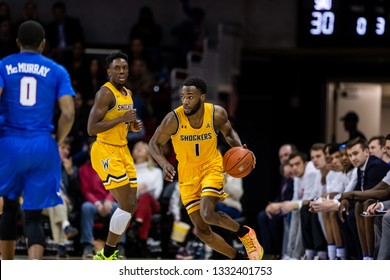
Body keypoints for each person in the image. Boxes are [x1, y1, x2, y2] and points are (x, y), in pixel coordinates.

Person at [148, 76, 263, 260]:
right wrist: (164, 163)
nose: (185, 101)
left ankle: (244, 233)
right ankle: (238, 258)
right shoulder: (173, 119)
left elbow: (229, 133)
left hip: (211, 167)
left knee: (208, 214)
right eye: (183, 96)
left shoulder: (216, 113)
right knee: (202, 231)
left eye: (190, 96)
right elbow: (154, 143)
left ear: (202, 97)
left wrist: (241, 151)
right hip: (187, 175)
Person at [0, 20, 75, 259]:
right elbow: (69, 113)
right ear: (43, 44)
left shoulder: (3, 65)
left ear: (17, 42)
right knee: (32, 215)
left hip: (9, 143)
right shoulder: (57, 70)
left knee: (9, 208)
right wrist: (57, 139)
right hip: (43, 144)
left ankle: (7, 266)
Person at [87, 51, 142, 260]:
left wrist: (132, 125)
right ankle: (107, 252)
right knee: (126, 204)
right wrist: (122, 119)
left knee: (132, 204)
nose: (122, 71)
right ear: (108, 70)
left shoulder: (128, 93)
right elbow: (92, 128)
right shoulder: (105, 93)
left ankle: (108, 251)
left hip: (122, 149)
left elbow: (124, 121)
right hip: (105, 150)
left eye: (125, 68)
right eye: (117, 68)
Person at [257, 143, 296, 259]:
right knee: (263, 216)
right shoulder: (284, 175)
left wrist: (278, 205)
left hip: (292, 206)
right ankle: (269, 252)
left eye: (287, 155)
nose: (284, 158)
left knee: (274, 218)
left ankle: (279, 252)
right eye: (281, 156)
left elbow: (296, 195)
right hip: (283, 205)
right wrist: (273, 204)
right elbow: (282, 195)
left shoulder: (296, 173)